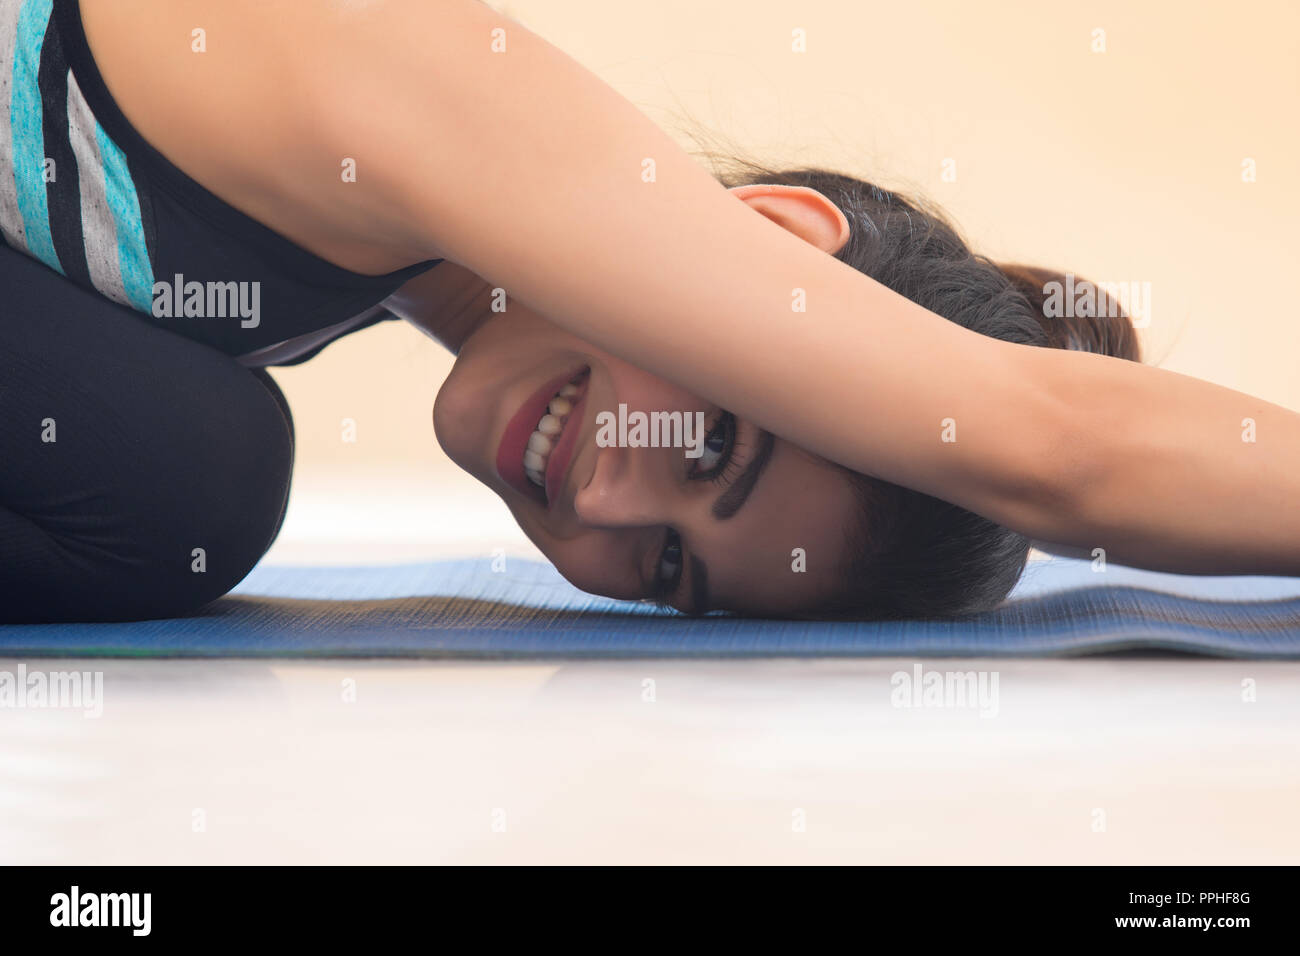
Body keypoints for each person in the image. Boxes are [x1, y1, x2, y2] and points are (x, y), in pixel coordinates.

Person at [2, 0, 1297, 623]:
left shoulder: (346, 263)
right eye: (712, 449)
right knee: (190, 480)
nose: (610, 506)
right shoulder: (434, 85)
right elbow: (1055, 448)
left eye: (669, 571)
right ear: (781, 232)